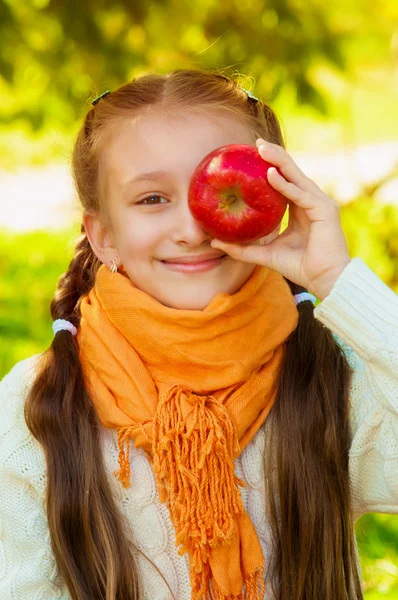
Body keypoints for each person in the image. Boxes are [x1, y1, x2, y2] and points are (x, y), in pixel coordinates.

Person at [0, 69, 397, 600]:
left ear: (275, 204)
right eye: (152, 199)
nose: (192, 229)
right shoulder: (35, 405)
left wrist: (336, 280)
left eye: (213, 192)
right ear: (104, 236)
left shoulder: (327, 372)